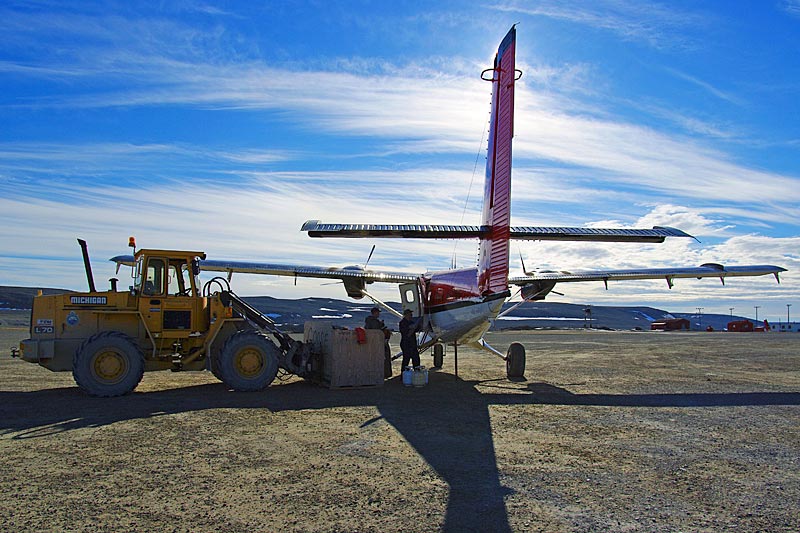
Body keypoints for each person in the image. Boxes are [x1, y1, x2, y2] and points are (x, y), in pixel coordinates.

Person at [365, 307, 392, 378]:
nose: (379, 314)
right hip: (378, 342)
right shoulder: (373, 321)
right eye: (378, 312)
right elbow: (376, 331)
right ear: (374, 313)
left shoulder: (371, 321)